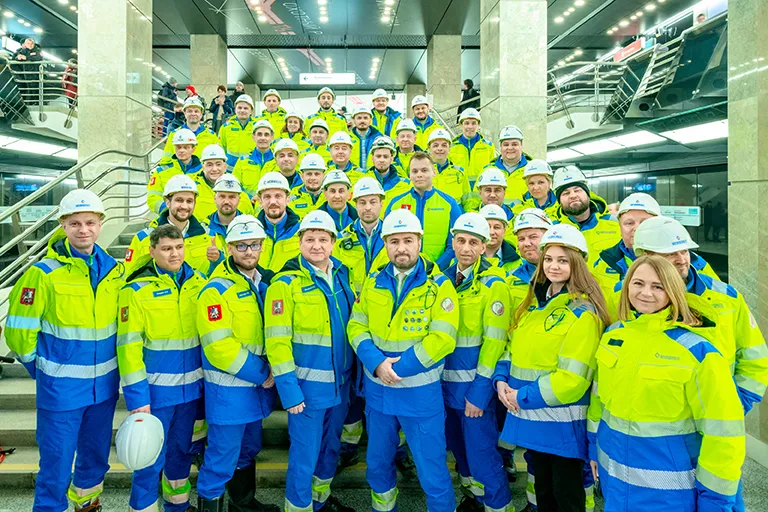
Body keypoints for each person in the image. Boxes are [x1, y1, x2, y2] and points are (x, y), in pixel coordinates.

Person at [587, 255, 745, 511]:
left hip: (671, 495)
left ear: (673, 290)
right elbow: (599, 401)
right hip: (614, 483)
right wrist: (593, 448)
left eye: (657, 286)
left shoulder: (698, 352)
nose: (645, 293)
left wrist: (715, 501)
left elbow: (723, 434)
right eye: (638, 283)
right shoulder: (614, 336)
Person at [5, 190, 122, 512]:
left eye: (90, 222)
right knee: (56, 463)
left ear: (100, 224)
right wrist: (42, 369)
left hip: (103, 389)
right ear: (63, 226)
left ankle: (87, 505)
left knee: (95, 458)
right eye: (75, 223)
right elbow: (18, 332)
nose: (83, 230)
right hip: (61, 391)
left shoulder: (115, 271)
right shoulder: (42, 274)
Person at [347, 209, 460, 512]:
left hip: (419, 395)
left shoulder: (439, 285)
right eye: (394, 241)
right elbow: (356, 325)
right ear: (385, 244)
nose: (401, 248)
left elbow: (443, 338)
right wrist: (376, 363)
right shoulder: (373, 281)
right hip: (379, 393)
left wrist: (395, 368)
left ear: (419, 242)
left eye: (408, 240)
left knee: (432, 470)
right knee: (377, 465)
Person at [494, 224, 610, 512]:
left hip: (561, 425)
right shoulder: (535, 307)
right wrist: (501, 379)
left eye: (562, 260)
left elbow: (573, 379)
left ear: (577, 263)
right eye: (548, 259)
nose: (553, 266)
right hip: (533, 417)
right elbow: (514, 348)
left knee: (566, 496)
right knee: (543, 492)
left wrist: (520, 396)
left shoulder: (583, 314)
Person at [265, 210, 357, 512]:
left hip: (340, 385)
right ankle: (298, 506)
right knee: (305, 456)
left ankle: (320, 501)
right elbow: (277, 341)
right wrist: (289, 391)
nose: (317, 245)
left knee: (330, 450)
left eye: (323, 239)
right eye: (310, 239)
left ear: (333, 242)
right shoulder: (285, 283)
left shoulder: (343, 275)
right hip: (307, 391)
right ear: (299, 242)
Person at [632, 217, 768, 417]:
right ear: (646, 256)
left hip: (715, 414)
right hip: (655, 419)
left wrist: (738, 403)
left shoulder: (726, 297)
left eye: (684, 251)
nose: (682, 260)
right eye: (670, 254)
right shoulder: (626, 296)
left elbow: (754, 356)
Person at [117, 223, 206, 512]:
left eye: (179, 247)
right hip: (156, 394)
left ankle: (177, 505)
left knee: (182, 452)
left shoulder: (199, 283)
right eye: (167, 249)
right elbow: (128, 348)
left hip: (191, 392)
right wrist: (137, 398)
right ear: (152, 251)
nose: (175, 254)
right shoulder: (135, 290)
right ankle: (142, 507)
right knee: (148, 457)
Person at [196, 216, 280, 512]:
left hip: (256, 393)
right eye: (241, 245)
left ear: (262, 246)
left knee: (248, 450)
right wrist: (262, 373)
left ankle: (243, 505)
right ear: (229, 247)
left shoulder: (265, 284)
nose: (249, 251)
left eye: (254, 244)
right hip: (230, 394)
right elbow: (219, 346)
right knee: (222, 457)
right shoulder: (215, 290)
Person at [442, 213, 514, 512]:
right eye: (461, 240)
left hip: (473, 390)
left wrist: (480, 392)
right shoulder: (441, 280)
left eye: (474, 242)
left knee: (482, 455)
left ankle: (498, 505)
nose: (466, 248)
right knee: (459, 452)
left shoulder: (493, 285)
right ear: (453, 242)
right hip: (443, 387)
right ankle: (474, 498)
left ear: (484, 247)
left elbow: (495, 343)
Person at [127, 175, 224, 276]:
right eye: (179, 200)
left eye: (189, 201)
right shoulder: (143, 239)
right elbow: (127, 277)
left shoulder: (210, 236)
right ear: (168, 203)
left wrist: (218, 260)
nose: (184, 206)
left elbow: (222, 274)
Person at [386, 151, 462, 270]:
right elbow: (387, 241)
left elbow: (455, 244)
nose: (419, 175)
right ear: (409, 175)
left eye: (424, 170)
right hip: (403, 271)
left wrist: (434, 268)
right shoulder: (395, 204)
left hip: (438, 272)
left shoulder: (450, 204)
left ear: (434, 172)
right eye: (415, 171)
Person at [553, 165, 620, 265]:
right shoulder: (553, 229)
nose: (573, 195)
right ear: (559, 201)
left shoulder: (615, 223)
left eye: (577, 190)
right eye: (566, 193)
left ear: (588, 194)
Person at [147, 128, 203, 215]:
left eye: (186, 147)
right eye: (178, 147)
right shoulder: (161, 171)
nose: (181, 150)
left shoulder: (203, 172)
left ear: (193, 149)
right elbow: (152, 197)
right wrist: (168, 210)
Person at [255, 172, 302, 272]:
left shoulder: (301, 232)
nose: (273, 202)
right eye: (267, 197)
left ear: (287, 199)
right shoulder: (251, 231)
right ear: (260, 201)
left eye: (278, 196)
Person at [193, 145, 253, 221]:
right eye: (209, 165)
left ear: (225, 166)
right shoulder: (193, 189)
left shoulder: (239, 192)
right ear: (203, 167)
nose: (214, 169)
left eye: (218, 164)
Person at [204, 174, 252, 262]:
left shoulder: (250, 227)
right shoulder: (204, 228)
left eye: (232, 197)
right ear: (215, 198)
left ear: (239, 199)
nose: (226, 201)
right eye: (222, 196)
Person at [161, 97, 220, 164]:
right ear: (184, 113)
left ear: (201, 114)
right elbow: (166, 160)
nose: (193, 114)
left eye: (196, 111)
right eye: (189, 111)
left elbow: (217, 160)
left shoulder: (211, 135)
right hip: (181, 170)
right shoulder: (174, 134)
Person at [484, 125, 534, 204]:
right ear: (500, 147)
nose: (510, 148)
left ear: (521, 146)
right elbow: (476, 200)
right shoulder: (487, 171)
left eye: (514, 144)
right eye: (506, 145)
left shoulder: (533, 171)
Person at [427, 128, 474, 210]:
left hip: (454, 215)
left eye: (444, 145)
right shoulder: (422, 172)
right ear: (429, 148)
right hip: (430, 215)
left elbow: (468, 200)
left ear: (449, 149)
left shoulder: (459, 173)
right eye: (435, 145)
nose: (440, 148)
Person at [448, 108, 495, 189]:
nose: (470, 126)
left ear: (478, 125)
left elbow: (493, 170)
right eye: (466, 123)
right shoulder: (451, 147)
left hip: (481, 189)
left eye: (474, 123)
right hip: (459, 189)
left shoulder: (488, 147)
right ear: (461, 125)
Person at [366, 136, 411, 213]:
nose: (382, 160)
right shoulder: (363, 182)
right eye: (378, 156)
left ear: (392, 158)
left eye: (385, 156)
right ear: (372, 158)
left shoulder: (405, 185)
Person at [233, 120, 278, 198]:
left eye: (266, 135)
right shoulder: (243, 161)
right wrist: (249, 198)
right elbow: (235, 184)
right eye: (259, 134)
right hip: (247, 203)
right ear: (253, 137)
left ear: (272, 138)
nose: (263, 138)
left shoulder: (278, 161)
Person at [220, 95, 258, 171]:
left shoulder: (257, 127)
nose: (242, 110)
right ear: (235, 109)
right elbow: (222, 148)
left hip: (251, 168)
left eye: (246, 108)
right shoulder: (226, 127)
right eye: (239, 108)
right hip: (230, 169)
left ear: (251, 111)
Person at [479, 204, 520, 274]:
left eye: (496, 227)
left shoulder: (518, 261)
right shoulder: (468, 257)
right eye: (487, 227)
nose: (491, 232)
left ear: (504, 230)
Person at [289, 153, 326, 220]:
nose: (313, 178)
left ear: (323, 175)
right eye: (309, 174)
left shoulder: (330, 197)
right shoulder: (290, 199)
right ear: (302, 176)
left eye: (317, 174)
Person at [12, 38, 42, 102]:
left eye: (31, 43)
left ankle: (36, 102)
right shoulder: (23, 51)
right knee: (28, 90)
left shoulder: (37, 50)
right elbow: (16, 58)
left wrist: (26, 57)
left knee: (35, 89)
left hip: (35, 74)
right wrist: (18, 57)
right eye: (28, 43)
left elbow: (38, 57)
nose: (30, 45)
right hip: (26, 74)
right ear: (25, 44)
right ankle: (30, 102)